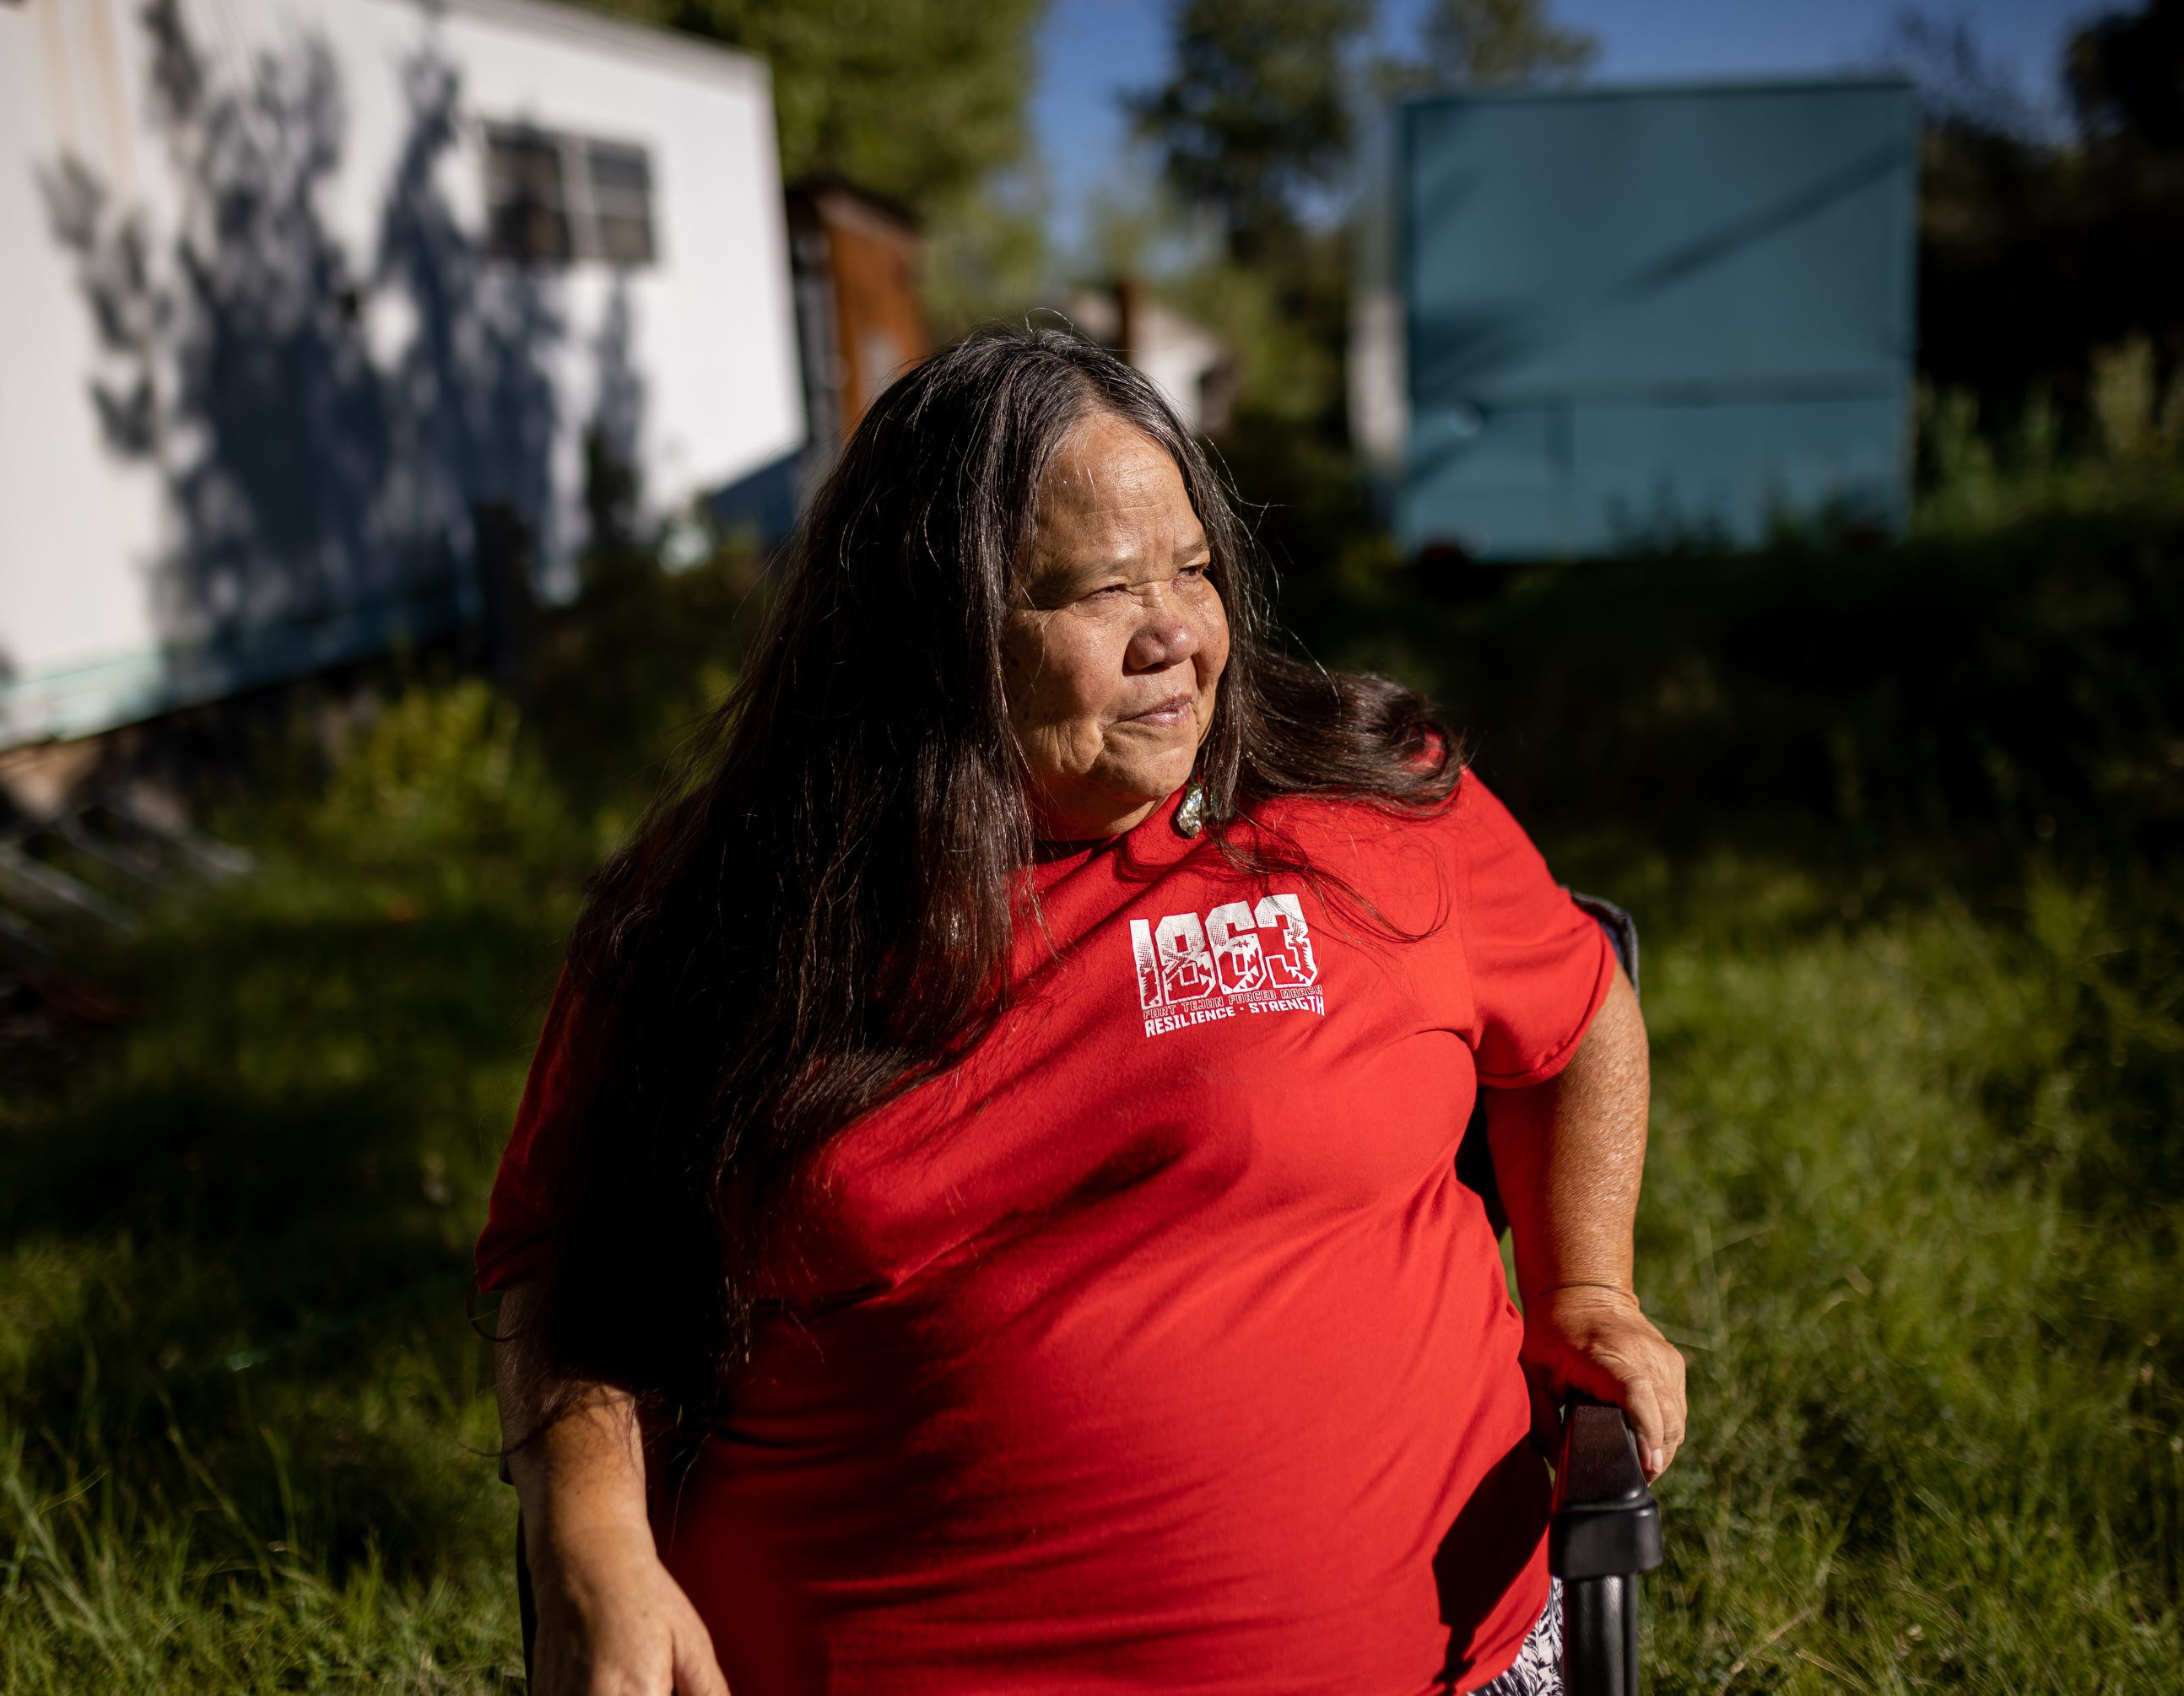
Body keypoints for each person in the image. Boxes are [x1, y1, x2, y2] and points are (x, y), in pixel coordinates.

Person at [477, 327, 1687, 1696]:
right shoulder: (727, 915)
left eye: (1191, 566)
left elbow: (1579, 1011)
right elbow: (567, 1257)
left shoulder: (1363, 801)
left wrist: (1586, 1284)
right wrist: (584, 1527)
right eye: (1103, 588)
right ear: (930, 636)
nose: (1178, 632)